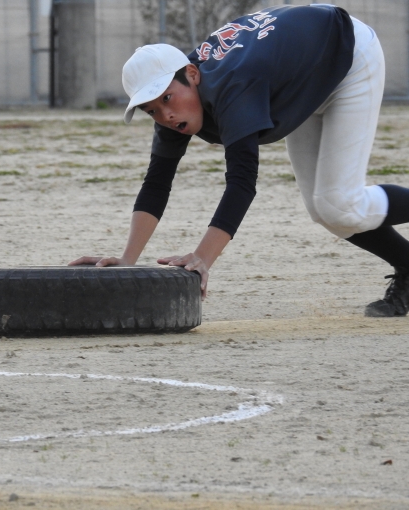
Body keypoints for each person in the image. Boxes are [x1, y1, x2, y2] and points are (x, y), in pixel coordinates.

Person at [69, 4, 409, 317]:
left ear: (192, 74)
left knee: (339, 205)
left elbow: (243, 182)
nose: (165, 115)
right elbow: (157, 182)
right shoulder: (177, 99)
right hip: (305, 67)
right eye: (151, 109)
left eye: (167, 98)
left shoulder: (233, 85)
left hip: (346, 53)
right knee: (327, 211)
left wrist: (203, 258)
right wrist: (127, 260)